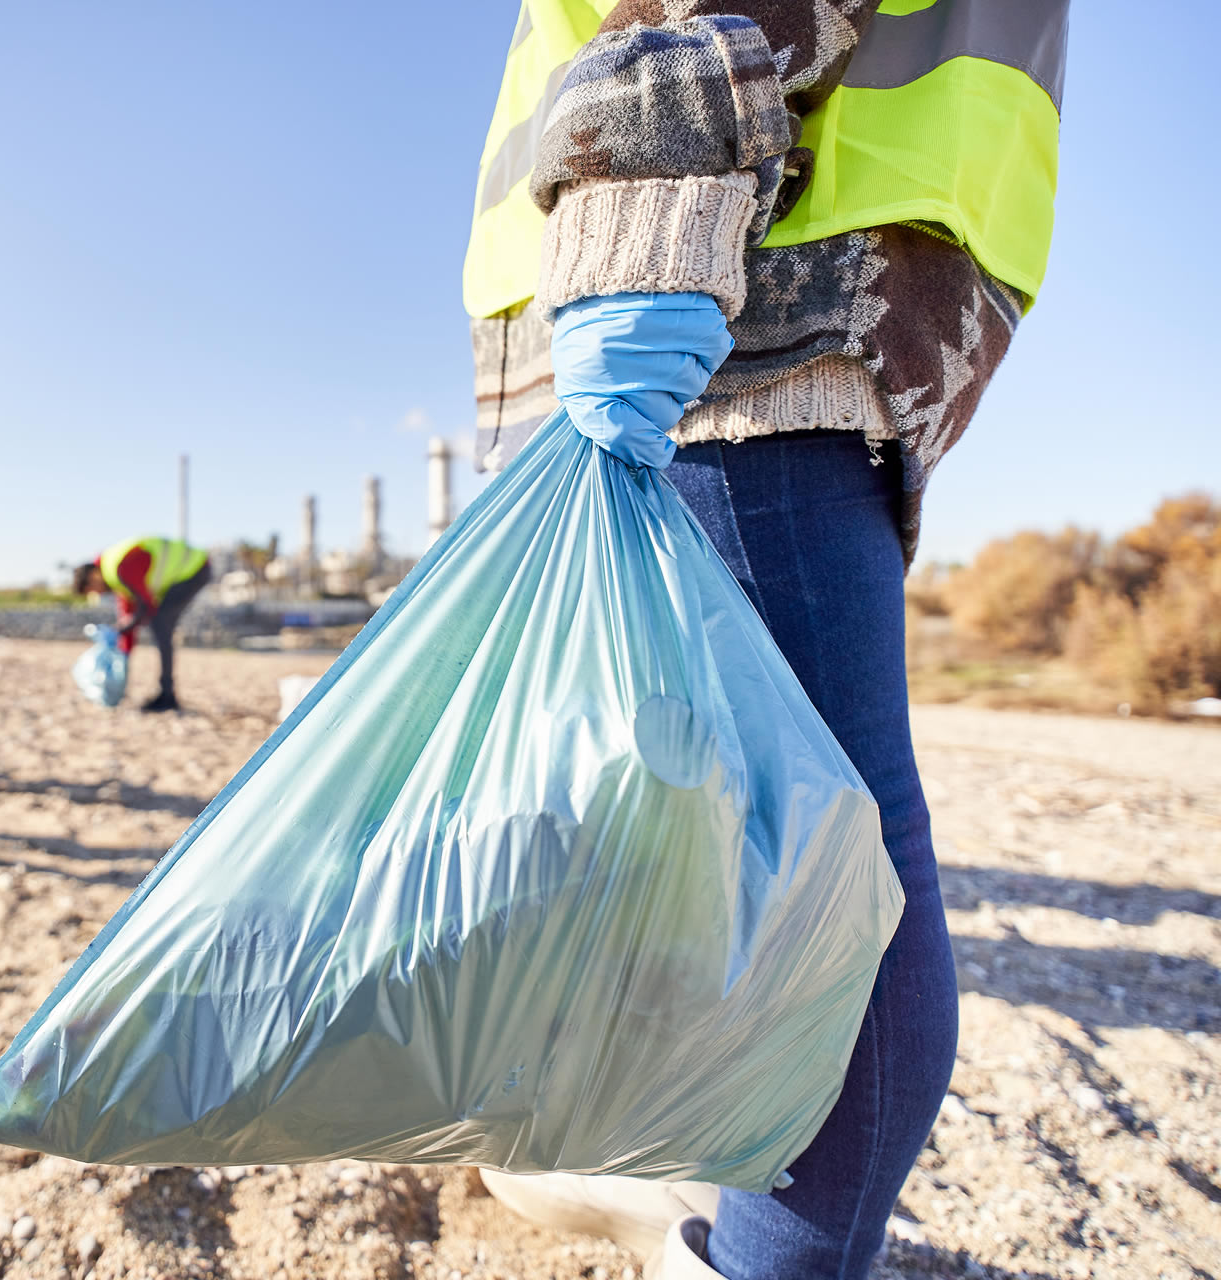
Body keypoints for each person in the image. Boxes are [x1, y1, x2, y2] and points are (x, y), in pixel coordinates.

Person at [464, 1, 1068, 1277]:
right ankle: (689, 1173)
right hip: (733, 275)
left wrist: (644, 221)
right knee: (740, 832)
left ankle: (766, 1253)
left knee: (823, 860)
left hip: (731, 284)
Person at [73, 535, 211, 712]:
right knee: (159, 623)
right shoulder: (116, 576)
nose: (98, 594)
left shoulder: (121, 569)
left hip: (195, 567)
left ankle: (168, 695)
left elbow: (146, 607)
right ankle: (166, 693)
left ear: (94, 576)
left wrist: (120, 630)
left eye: (93, 589)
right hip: (188, 570)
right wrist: (121, 660)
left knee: (161, 623)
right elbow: (130, 617)